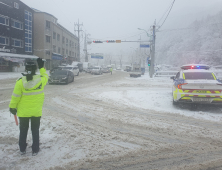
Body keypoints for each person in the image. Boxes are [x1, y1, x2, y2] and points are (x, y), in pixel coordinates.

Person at [9, 58, 48, 156]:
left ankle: (22, 149)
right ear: (35, 69)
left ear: (26, 69)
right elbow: (46, 76)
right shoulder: (41, 80)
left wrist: (12, 107)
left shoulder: (20, 82)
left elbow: (15, 97)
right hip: (36, 112)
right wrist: (41, 67)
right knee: (35, 131)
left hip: (23, 113)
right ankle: (35, 150)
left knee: (23, 131)